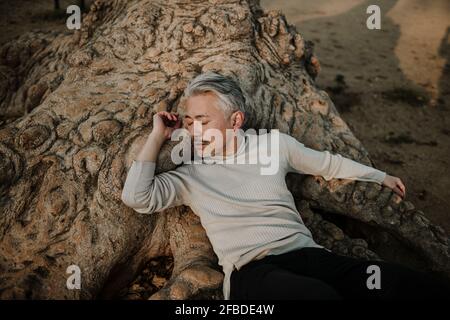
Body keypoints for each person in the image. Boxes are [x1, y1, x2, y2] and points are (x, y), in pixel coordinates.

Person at [121, 71, 449, 300]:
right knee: (316, 297)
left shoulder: (273, 145)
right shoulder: (191, 175)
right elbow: (137, 197)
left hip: (306, 255)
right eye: (189, 122)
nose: (193, 131)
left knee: (399, 283)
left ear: (235, 120)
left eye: (203, 121)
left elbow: (327, 163)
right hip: (252, 274)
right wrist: (157, 136)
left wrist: (380, 177)